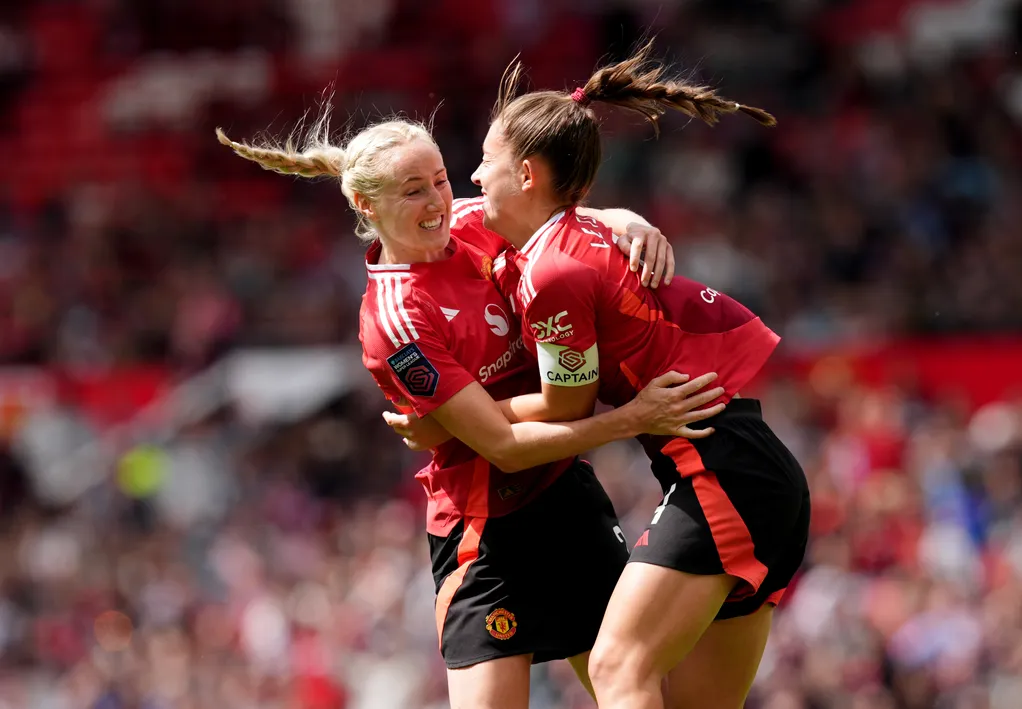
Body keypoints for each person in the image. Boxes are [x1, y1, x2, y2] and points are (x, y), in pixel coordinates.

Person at [214, 113, 724, 709]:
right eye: (413, 191)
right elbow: (501, 448)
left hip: (564, 496)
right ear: (363, 203)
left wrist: (629, 221)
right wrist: (634, 418)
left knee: (639, 689)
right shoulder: (395, 319)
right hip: (485, 532)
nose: (436, 202)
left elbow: (563, 218)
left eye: (439, 180)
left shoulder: (471, 222)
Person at [463, 41, 811, 709]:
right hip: (755, 471)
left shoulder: (551, 273)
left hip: (721, 473)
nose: (475, 177)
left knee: (619, 672)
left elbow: (569, 408)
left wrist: (466, 413)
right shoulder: (579, 237)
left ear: (529, 174)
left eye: (486, 161)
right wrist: (618, 213)